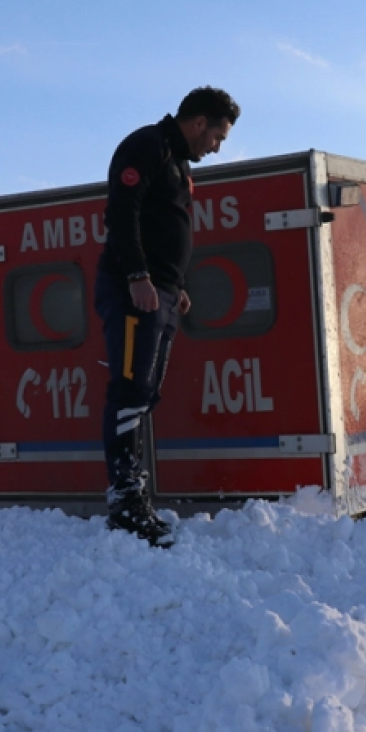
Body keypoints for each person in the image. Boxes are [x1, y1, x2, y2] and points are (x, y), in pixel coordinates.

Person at [95, 86, 239, 545]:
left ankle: (135, 497)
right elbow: (123, 213)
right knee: (129, 391)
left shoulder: (177, 163)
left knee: (145, 394)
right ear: (199, 123)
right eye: (217, 137)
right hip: (133, 291)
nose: (215, 147)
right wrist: (138, 275)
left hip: (162, 293)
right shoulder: (147, 146)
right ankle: (124, 502)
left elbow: (165, 229)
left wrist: (176, 286)